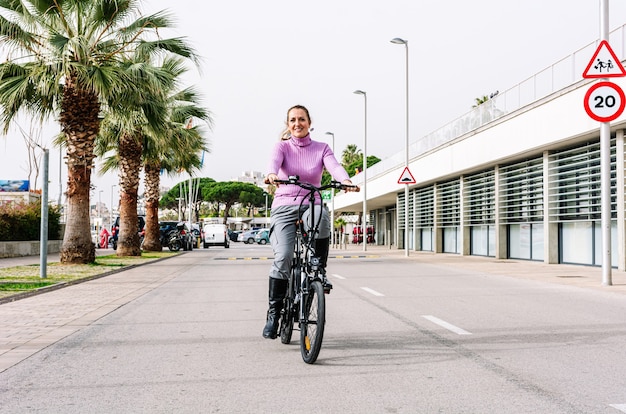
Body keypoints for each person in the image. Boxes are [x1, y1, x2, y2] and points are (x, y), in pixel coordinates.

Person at [263, 104, 358, 339]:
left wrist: (345, 180)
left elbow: (334, 166)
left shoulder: (321, 148)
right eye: (293, 120)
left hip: (310, 202)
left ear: (309, 122)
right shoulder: (282, 147)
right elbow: (273, 164)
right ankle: (274, 313)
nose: (297, 123)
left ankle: (319, 269)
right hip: (284, 205)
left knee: (321, 216)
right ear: (288, 124)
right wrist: (272, 175)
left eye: (302, 119)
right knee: (283, 256)